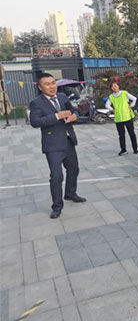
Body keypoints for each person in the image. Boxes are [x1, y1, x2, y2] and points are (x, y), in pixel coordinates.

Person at [30, 73, 86, 218]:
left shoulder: (62, 96)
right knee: (56, 176)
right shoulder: (36, 102)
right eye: (47, 84)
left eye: (53, 83)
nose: (52, 86)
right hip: (53, 145)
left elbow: (73, 110)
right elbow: (35, 122)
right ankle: (57, 206)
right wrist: (56, 116)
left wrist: (75, 116)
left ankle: (70, 193)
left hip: (68, 140)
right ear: (40, 87)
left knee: (73, 169)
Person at [105, 80, 138, 156]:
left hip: (127, 117)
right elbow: (107, 105)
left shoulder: (124, 93)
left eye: (115, 86)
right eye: (112, 87)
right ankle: (123, 150)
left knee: (132, 133)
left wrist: (131, 106)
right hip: (118, 118)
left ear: (118, 86)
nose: (114, 88)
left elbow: (135, 99)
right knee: (121, 135)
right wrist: (112, 109)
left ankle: (135, 149)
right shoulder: (111, 97)